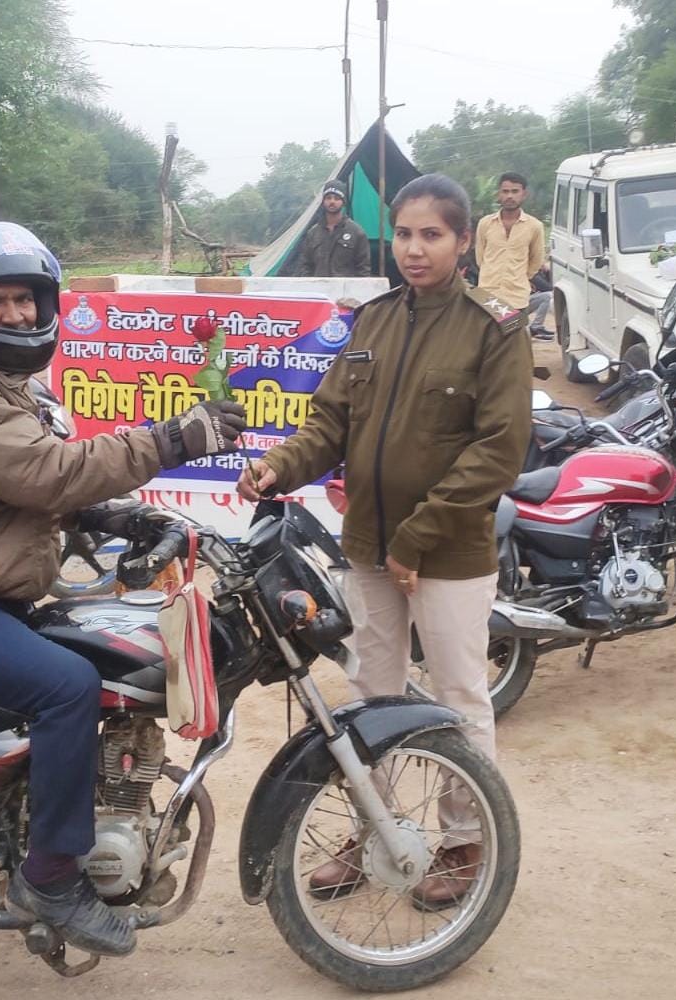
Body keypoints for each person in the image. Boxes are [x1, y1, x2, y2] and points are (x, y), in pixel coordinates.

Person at [0, 222, 246, 957]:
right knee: (68, 685)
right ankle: (51, 877)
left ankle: (15, 820)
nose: (12, 313)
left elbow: (28, 482)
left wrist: (114, 515)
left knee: (93, 653)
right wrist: (175, 438)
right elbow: (47, 474)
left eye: (24, 298)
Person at [237, 175, 531, 910]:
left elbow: (498, 450)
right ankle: (375, 828)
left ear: (464, 241)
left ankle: (465, 841)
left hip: (449, 553)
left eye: (432, 234)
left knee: (461, 696)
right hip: (368, 547)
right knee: (371, 694)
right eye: (404, 233)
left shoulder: (496, 328)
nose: (414, 249)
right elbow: (330, 422)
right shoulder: (372, 322)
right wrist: (280, 464)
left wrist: (417, 538)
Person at [475, 172, 545, 321]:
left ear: (524, 194)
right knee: (488, 341)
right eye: (505, 191)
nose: (510, 196)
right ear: (498, 194)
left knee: (514, 340)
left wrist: (519, 277)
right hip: (488, 296)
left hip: (517, 297)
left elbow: (536, 260)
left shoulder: (534, 226)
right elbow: (480, 258)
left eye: (515, 191)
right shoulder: (485, 223)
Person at [296, 179, 372, 277]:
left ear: (343, 202)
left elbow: (364, 269)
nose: (332, 201)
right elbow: (305, 265)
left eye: (337, 198)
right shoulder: (312, 233)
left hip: (345, 290)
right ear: (323, 201)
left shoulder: (357, 232)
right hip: (318, 289)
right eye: (328, 198)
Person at [528, 261, 553, 340]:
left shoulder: (537, 272)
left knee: (547, 295)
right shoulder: (531, 273)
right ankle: (536, 327)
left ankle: (536, 327)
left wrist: (547, 272)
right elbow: (549, 288)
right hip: (517, 307)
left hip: (523, 304)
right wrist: (548, 271)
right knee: (547, 295)